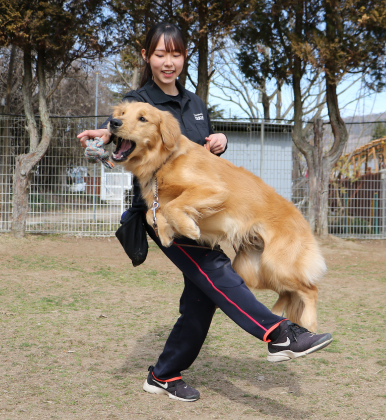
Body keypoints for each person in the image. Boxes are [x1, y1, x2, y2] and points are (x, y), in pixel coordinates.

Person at [78, 22, 332, 403]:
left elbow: (200, 159)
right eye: (160, 54)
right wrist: (106, 133)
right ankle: (279, 334)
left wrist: (219, 142)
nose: (168, 62)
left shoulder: (195, 105)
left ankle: (163, 374)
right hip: (163, 213)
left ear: (183, 58)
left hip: (202, 213)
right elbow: (119, 128)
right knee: (217, 273)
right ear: (147, 57)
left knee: (202, 298)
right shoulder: (137, 100)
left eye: (176, 54)